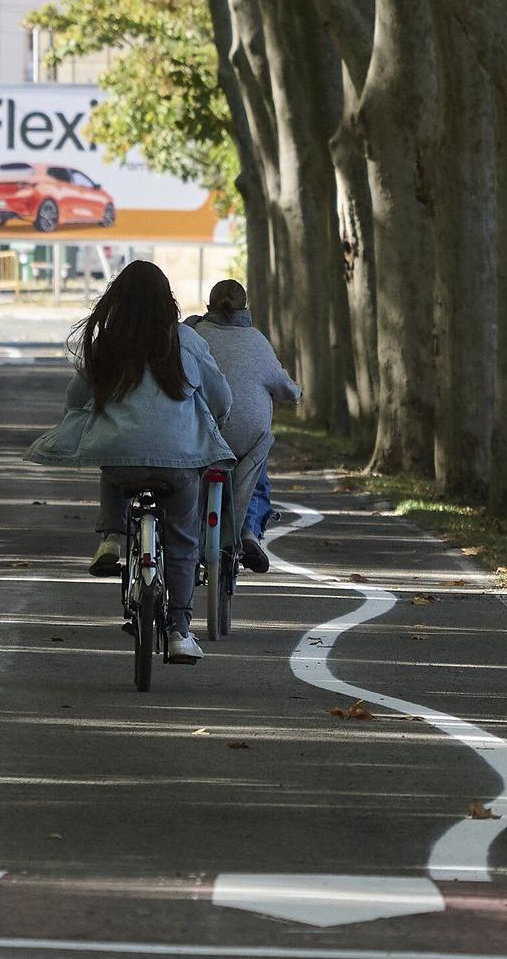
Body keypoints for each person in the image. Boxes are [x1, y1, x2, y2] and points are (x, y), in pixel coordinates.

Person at [25, 260, 233, 664]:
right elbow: (221, 398)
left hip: (123, 464)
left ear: (118, 301)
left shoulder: (109, 343)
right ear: (166, 301)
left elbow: (76, 395)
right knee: (184, 540)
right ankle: (179, 630)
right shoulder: (187, 341)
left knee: (113, 459)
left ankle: (112, 535)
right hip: (178, 465)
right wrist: (215, 424)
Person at [186, 280, 301, 574]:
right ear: (245, 308)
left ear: (209, 306)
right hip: (246, 436)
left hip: (201, 434)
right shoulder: (257, 341)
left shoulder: (195, 336)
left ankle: (188, 535)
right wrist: (296, 392)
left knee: (188, 474)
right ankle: (249, 531)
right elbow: (285, 388)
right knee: (256, 464)